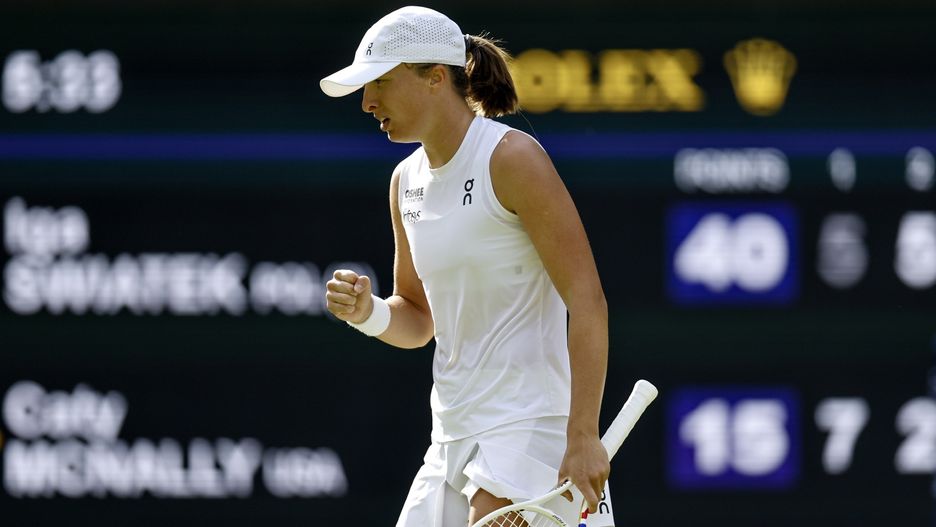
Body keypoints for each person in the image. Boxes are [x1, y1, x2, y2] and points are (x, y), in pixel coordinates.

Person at [320, 6, 610, 526]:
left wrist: (583, 435)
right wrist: (368, 313)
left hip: (529, 430)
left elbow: (586, 301)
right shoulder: (404, 181)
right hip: (450, 439)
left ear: (435, 78)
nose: (367, 102)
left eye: (381, 82)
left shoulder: (512, 158)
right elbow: (418, 319)